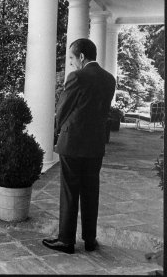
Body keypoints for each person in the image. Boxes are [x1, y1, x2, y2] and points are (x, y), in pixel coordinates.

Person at [42, 38, 116, 254]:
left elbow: (63, 108)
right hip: (95, 144)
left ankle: (66, 241)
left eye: (72, 58)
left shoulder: (77, 76)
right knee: (91, 191)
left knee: (70, 191)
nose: (72, 63)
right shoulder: (109, 79)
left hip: (73, 142)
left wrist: (57, 131)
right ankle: (90, 240)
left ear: (81, 56)